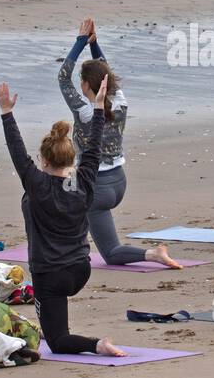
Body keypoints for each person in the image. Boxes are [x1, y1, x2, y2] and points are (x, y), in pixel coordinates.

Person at [0, 76, 126, 356]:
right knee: (51, 321)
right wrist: (97, 107)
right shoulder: (83, 180)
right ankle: (50, 320)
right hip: (80, 271)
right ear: (72, 160)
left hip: (51, 276)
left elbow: (17, 152)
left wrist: (7, 112)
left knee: (58, 341)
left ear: (44, 161)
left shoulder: (37, 184)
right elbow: (93, 146)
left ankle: (97, 344)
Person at [59, 18, 180, 268]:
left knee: (111, 253)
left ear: (85, 85)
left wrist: (81, 41)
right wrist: (94, 44)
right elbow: (106, 73)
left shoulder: (84, 111)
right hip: (118, 182)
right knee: (68, 187)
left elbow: (62, 77)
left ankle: (153, 254)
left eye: (82, 80)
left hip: (97, 189)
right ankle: (74, 240)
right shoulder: (120, 102)